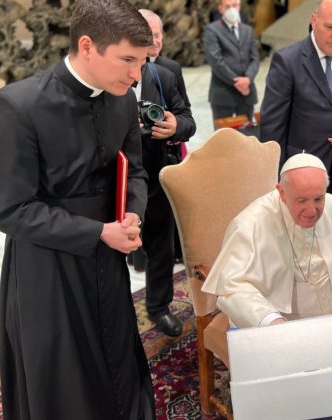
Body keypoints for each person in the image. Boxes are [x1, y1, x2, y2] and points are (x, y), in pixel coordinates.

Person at [0, 0, 156, 418]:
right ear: (87, 46)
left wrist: (132, 211)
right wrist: (98, 232)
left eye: (142, 61)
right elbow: (9, 210)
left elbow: (135, 171)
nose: (136, 75)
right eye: (127, 60)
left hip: (108, 258)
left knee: (116, 365)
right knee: (65, 384)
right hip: (47, 272)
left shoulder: (121, 98)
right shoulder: (17, 107)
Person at [202, 153, 332, 329]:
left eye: (319, 198)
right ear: (282, 193)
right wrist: (272, 323)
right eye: (302, 200)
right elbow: (232, 288)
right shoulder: (251, 223)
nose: (312, 211)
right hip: (284, 319)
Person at [260, 0, 332, 210]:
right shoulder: (287, 61)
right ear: (314, 20)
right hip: (300, 172)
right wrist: (280, 178)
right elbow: (272, 129)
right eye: (330, 27)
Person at [134, 16, 197, 337]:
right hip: (115, 179)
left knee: (160, 245)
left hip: (157, 173)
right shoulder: (105, 77)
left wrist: (175, 126)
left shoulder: (163, 75)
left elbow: (187, 118)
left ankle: (159, 307)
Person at [139, 8, 192, 264]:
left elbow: (185, 115)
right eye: (150, 35)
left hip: (164, 153)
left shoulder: (169, 70)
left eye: (158, 35)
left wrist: (174, 127)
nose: (155, 41)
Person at [204, 0, 260, 122]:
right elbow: (216, 61)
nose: (231, 9)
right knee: (224, 138)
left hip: (247, 93)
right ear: (221, 9)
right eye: (227, 6)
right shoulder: (212, 30)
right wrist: (238, 83)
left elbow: (255, 59)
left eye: (234, 5)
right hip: (224, 93)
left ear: (239, 6)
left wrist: (248, 79)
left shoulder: (248, 30)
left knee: (246, 136)